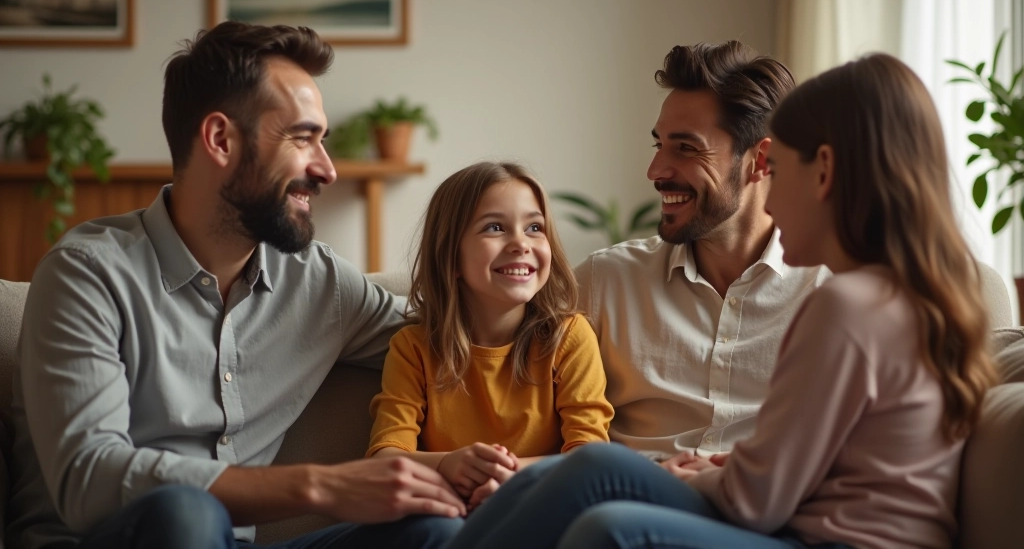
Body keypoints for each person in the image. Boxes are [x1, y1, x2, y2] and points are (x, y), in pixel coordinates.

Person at [444, 53, 1000, 549]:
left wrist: (691, 475)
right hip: (795, 520)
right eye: (658, 144)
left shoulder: (844, 305)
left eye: (781, 172)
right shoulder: (901, 295)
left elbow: (762, 500)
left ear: (815, 170)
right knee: (578, 471)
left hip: (812, 534)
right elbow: (821, 461)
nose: (774, 201)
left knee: (607, 518)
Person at [6, 21, 464, 549]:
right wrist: (321, 486)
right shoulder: (87, 274)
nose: (327, 169)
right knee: (185, 516)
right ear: (221, 139)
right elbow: (89, 479)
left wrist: (552, 299)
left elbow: (449, 334)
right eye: (302, 138)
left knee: (427, 529)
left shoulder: (319, 284)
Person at [576, 41, 830, 461]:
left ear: (760, 160)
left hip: (744, 512)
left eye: (687, 148)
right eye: (659, 145)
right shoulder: (605, 283)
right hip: (618, 498)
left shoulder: (832, 294)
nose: (655, 171)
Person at [367, 161, 613, 511]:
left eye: (534, 227)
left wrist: (510, 477)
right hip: (449, 516)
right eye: (495, 227)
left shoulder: (570, 336)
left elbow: (590, 455)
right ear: (450, 257)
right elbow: (384, 457)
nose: (520, 243)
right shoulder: (413, 348)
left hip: (543, 508)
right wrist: (447, 464)